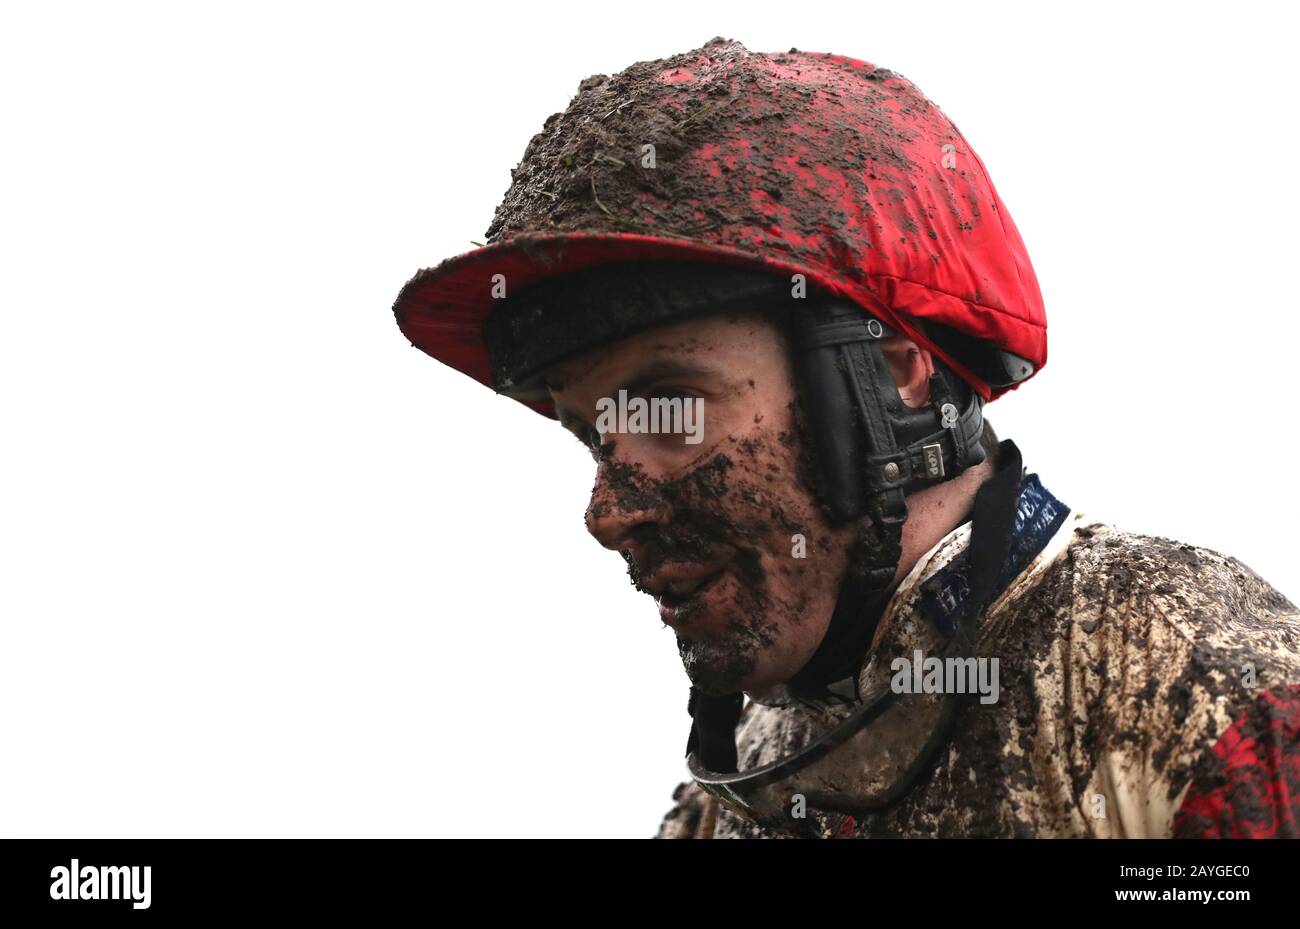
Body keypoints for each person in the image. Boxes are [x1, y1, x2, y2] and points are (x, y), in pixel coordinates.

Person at [392, 39, 1300, 838]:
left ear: (896, 372)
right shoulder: (732, 791)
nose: (609, 512)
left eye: (671, 406)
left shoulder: (1178, 669)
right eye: (596, 437)